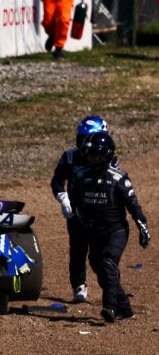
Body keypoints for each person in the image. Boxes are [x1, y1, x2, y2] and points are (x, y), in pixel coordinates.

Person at [70, 132, 150, 322]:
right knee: (100, 269)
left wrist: (142, 226)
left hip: (116, 231)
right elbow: (75, 202)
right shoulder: (81, 177)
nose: (92, 158)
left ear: (106, 155)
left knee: (108, 262)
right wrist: (81, 219)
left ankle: (110, 308)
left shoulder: (118, 178)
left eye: (95, 155)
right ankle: (125, 307)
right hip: (94, 232)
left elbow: (133, 205)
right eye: (89, 155)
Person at [51, 115, 112, 303]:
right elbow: (57, 181)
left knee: (99, 254)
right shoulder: (70, 157)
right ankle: (79, 286)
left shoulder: (109, 159)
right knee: (77, 249)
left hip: (99, 214)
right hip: (75, 212)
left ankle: (110, 287)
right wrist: (63, 198)